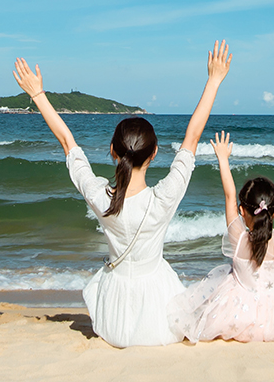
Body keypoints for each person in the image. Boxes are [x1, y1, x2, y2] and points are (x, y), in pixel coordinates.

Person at [12, 41, 232, 348]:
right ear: (154, 154)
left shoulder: (101, 196)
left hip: (113, 321)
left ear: (113, 152)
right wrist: (214, 80)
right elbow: (192, 137)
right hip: (159, 321)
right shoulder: (164, 197)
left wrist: (37, 94)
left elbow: (68, 143)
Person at [168, 132, 274, 343]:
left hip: (238, 315)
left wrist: (222, 157)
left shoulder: (238, 239)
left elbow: (229, 194)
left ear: (241, 210)